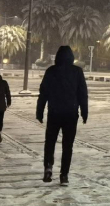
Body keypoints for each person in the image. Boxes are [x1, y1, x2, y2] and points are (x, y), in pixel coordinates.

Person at [36, 45, 88, 185]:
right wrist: (84, 111)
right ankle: (64, 175)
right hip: (71, 113)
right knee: (67, 145)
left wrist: (39, 110)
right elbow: (82, 93)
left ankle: (48, 167)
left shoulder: (51, 71)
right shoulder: (77, 72)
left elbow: (43, 93)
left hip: (54, 112)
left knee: (50, 142)